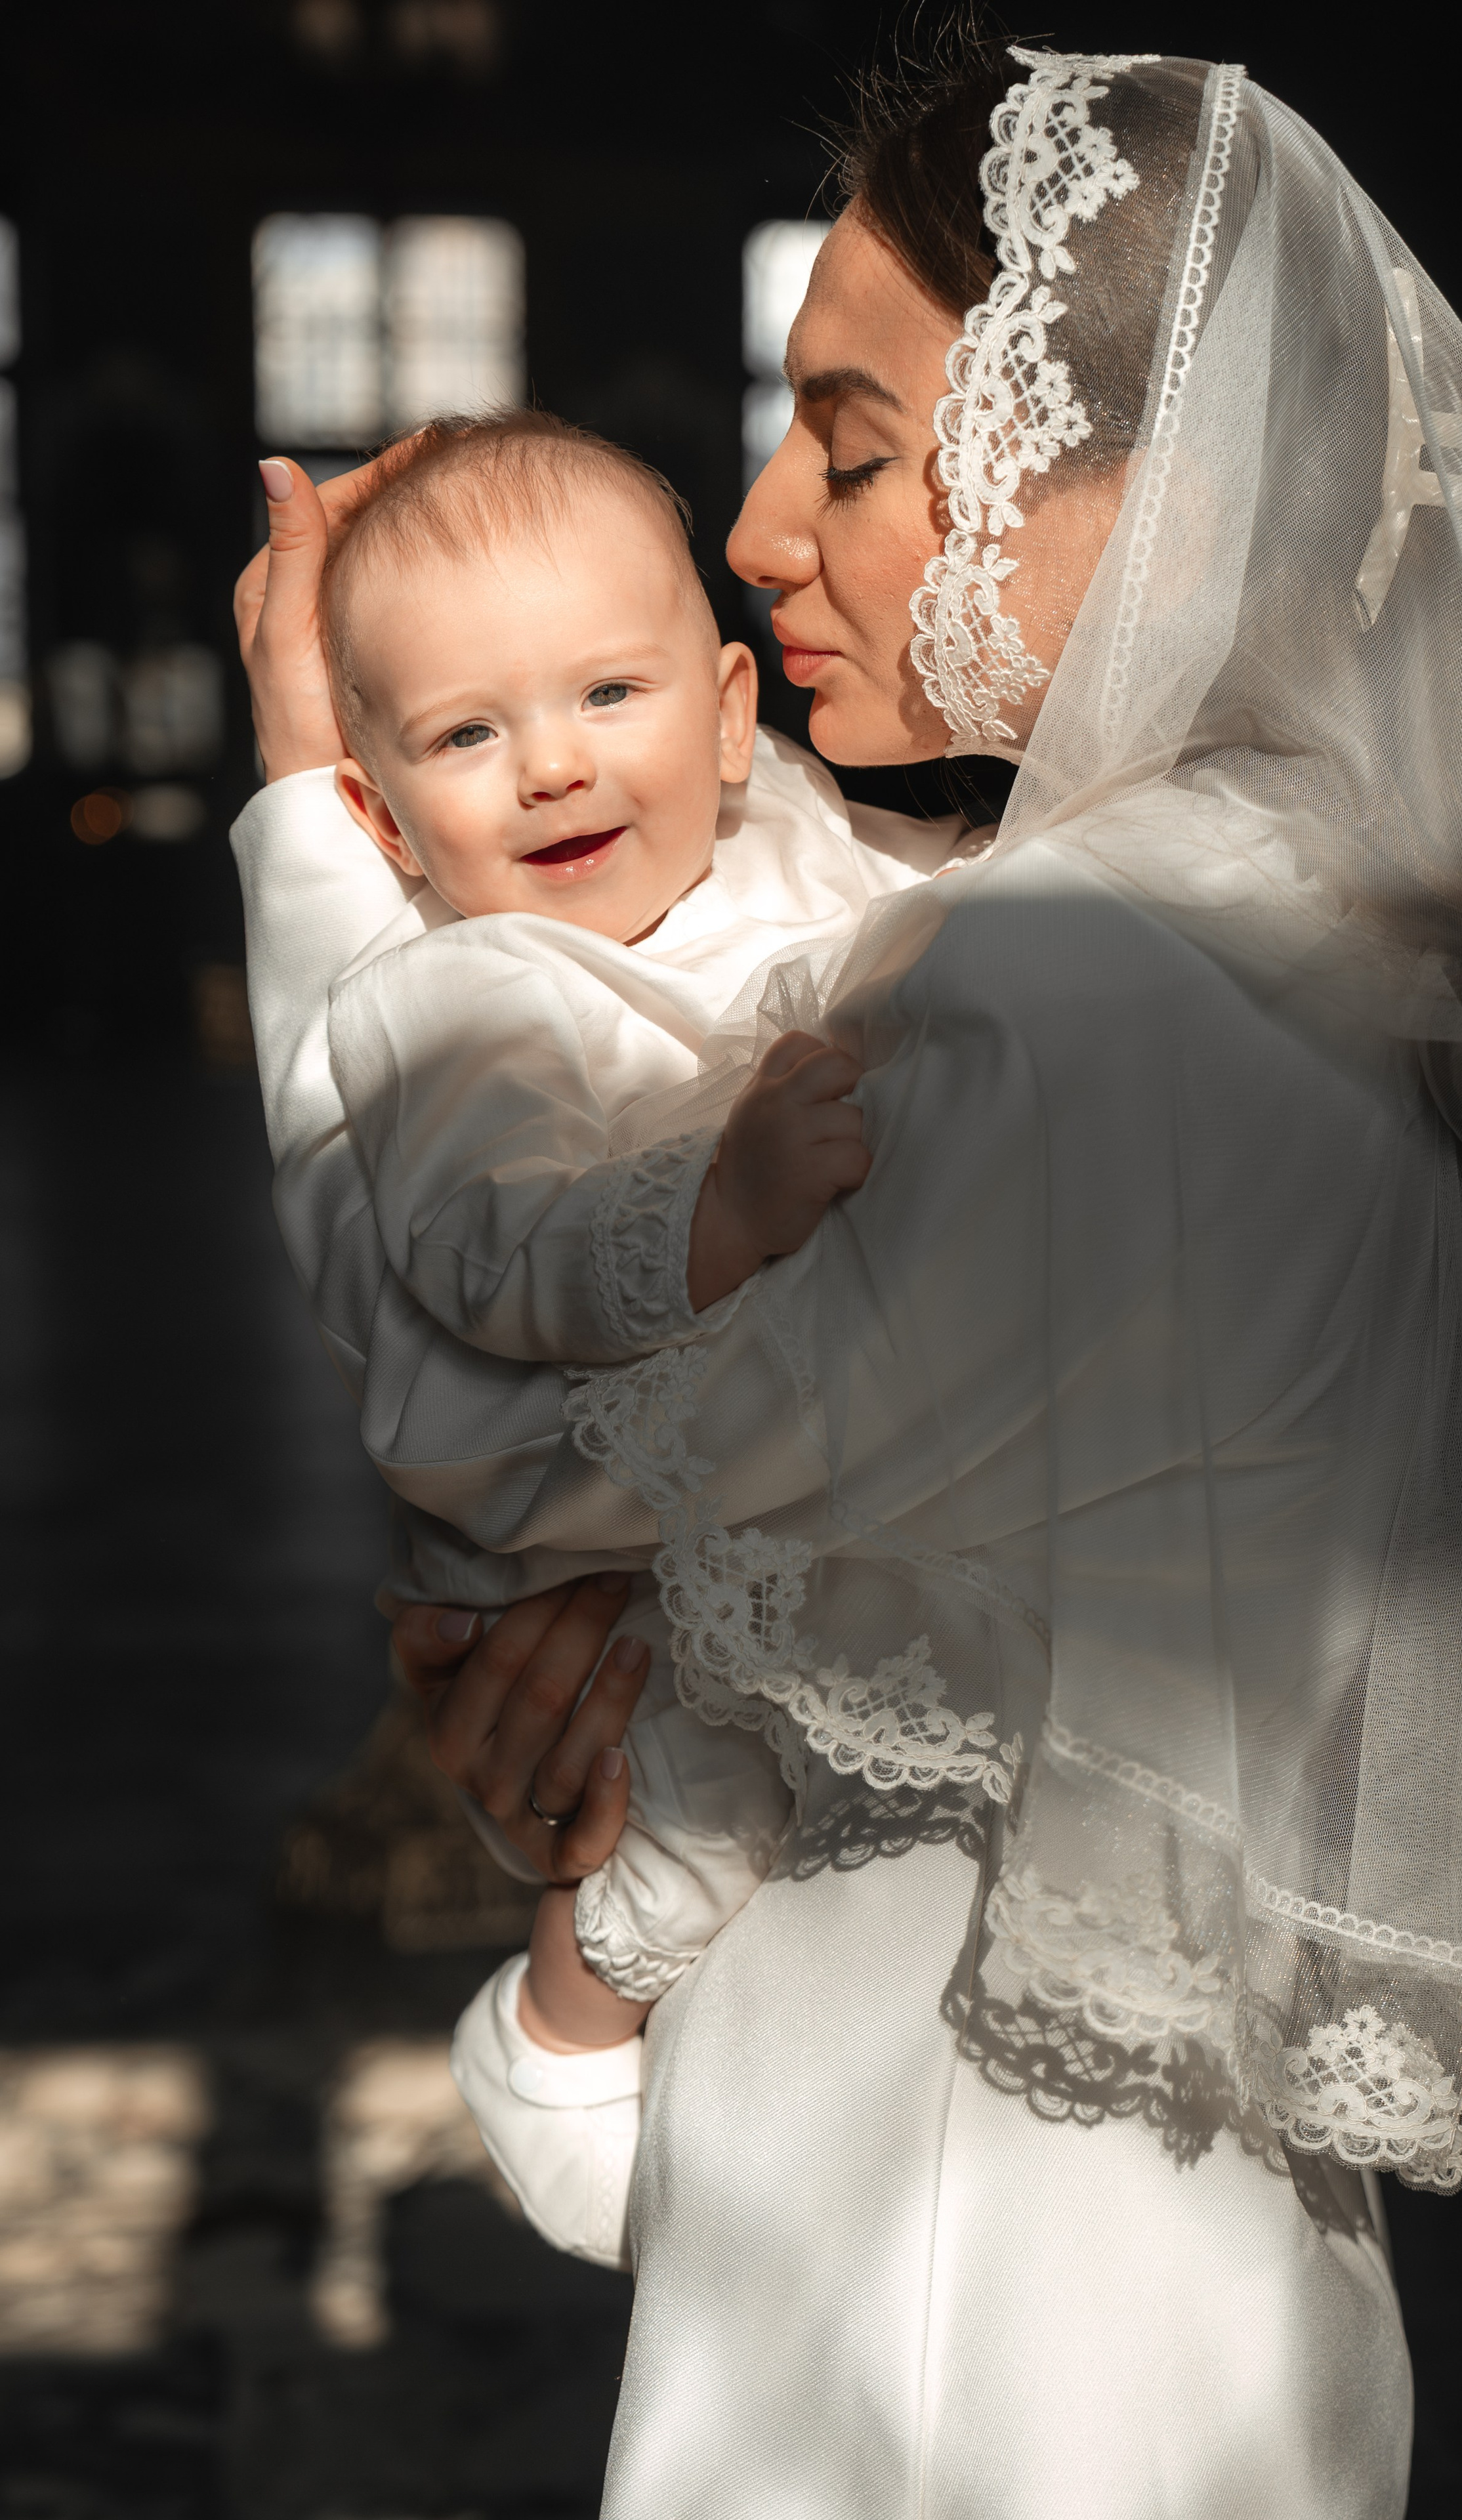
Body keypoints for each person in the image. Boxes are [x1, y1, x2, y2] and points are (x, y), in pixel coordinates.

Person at [235, 40, 1462, 2518]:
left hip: (934, 2263)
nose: (765, 530)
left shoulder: (1057, 978)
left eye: (861, 446)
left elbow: (484, 1404)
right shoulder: (1319, 915)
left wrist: (321, 838)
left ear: (1140, 474)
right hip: (1159, 2244)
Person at [245, 406, 963, 2233]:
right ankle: (569, 2024)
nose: (552, 770)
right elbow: (487, 1253)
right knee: (703, 1791)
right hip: (615, 1519)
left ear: (733, 717)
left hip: (789, 1480)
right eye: (470, 737)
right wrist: (715, 1208)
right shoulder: (461, 998)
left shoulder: (792, 832)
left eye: (606, 699)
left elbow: (924, 910)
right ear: (378, 811)